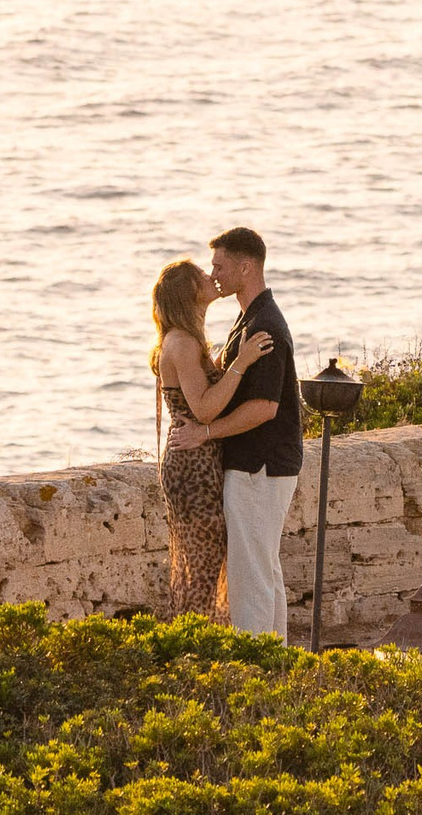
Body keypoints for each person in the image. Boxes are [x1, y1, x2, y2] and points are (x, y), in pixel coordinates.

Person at [169, 225, 303, 638]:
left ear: (246, 267)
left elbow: (264, 408)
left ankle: (255, 667)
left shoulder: (264, 327)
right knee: (264, 569)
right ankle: (278, 662)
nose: (214, 275)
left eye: (220, 266)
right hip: (259, 465)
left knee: (250, 577)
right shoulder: (248, 320)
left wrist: (206, 433)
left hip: (258, 466)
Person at [149, 257, 273, 619]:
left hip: (195, 459)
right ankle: (190, 646)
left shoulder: (184, 339)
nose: (212, 276)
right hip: (193, 463)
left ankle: (193, 640)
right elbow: (203, 409)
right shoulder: (183, 343)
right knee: (201, 567)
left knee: (200, 561)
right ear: (188, 292)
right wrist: (241, 362)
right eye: (203, 275)